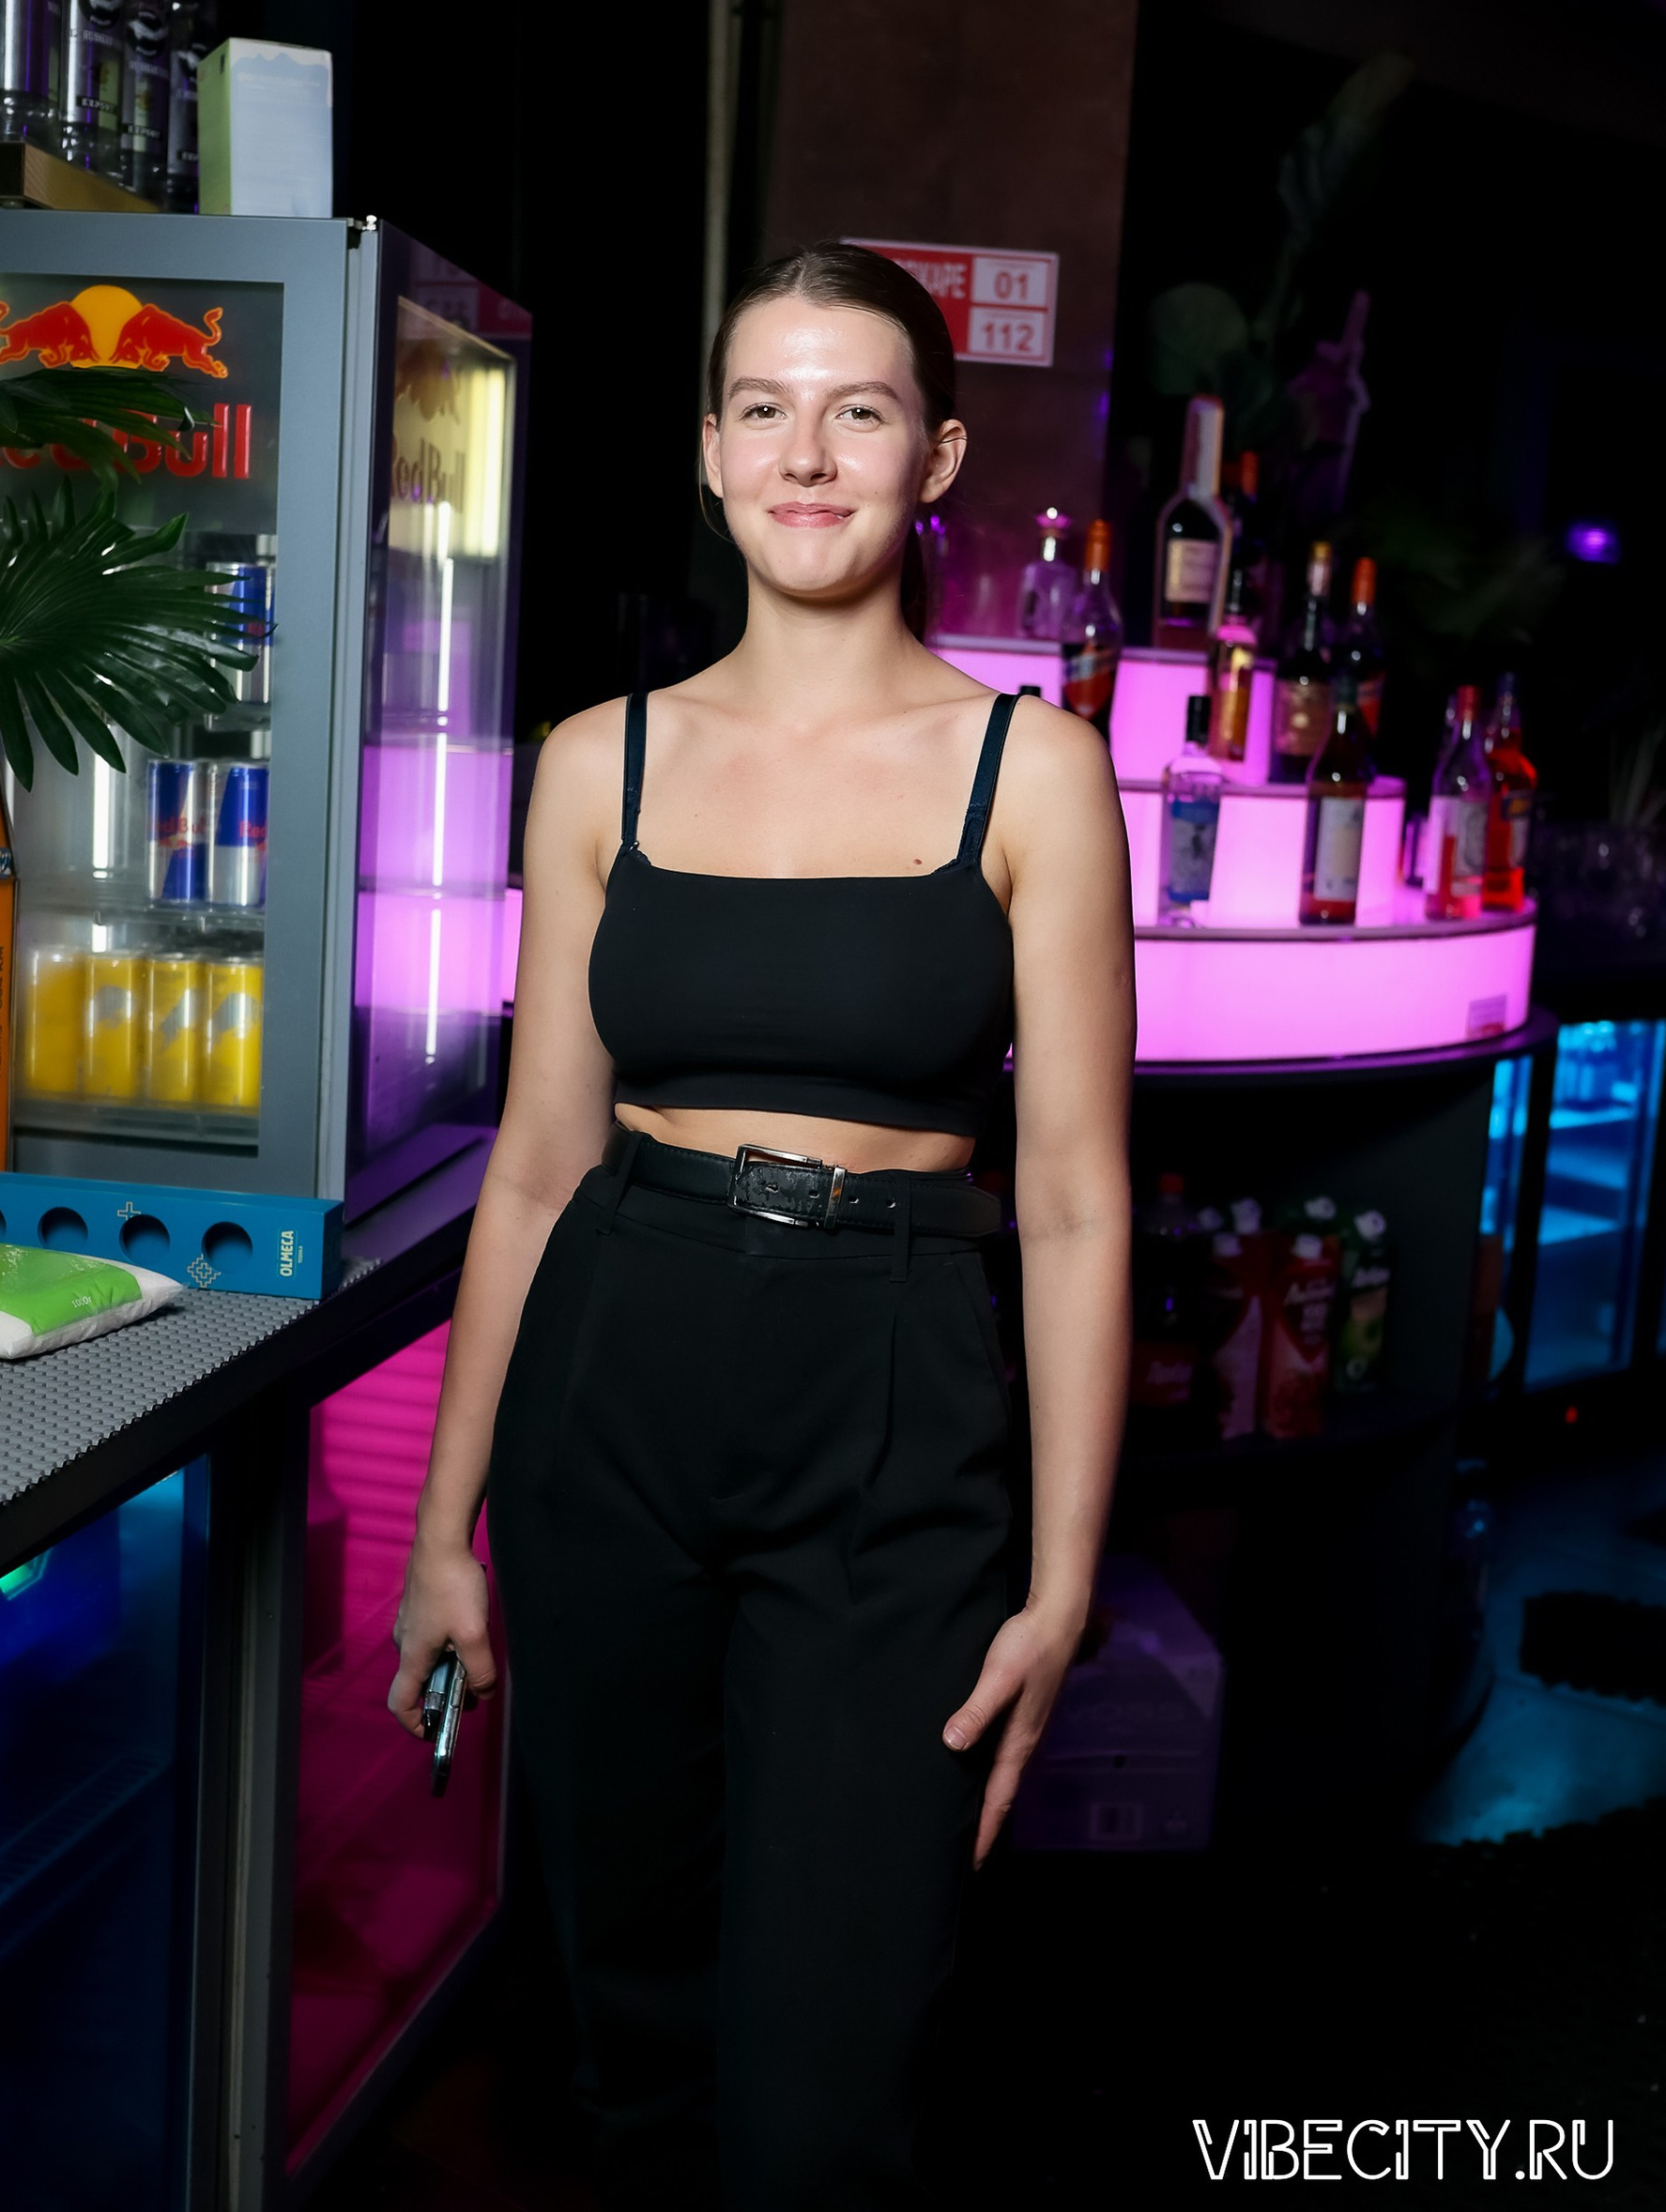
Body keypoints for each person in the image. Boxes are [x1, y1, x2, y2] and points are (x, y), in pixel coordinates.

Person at [389, 241, 1134, 2209]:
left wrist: (1062, 1584)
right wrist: (446, 1532)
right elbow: (537, 1166)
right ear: (713, 451)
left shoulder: (1034, 772)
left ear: (935, 457)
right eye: (764, 408)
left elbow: (1073, 1200)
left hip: (892, 1392)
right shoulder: (596, 761)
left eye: (858, 410)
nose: (806, 456)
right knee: (626, 2053)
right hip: (615, 1375)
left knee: (824, 2100)